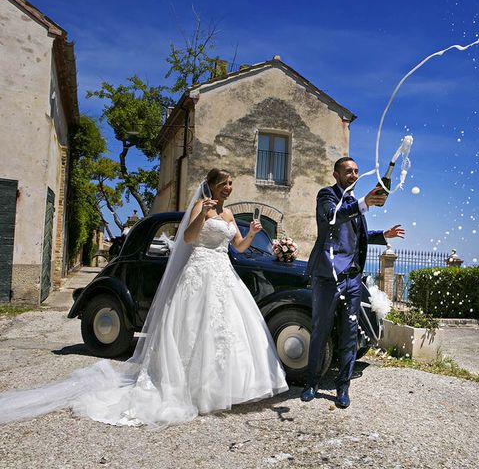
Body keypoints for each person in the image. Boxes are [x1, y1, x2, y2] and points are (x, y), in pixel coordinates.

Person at [0, 168, 288, 428]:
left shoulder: (228, 215)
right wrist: (202, 215)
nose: (229, 187)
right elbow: (187, 239)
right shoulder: (203, 206)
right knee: (193, 326)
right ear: (211, 186)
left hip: (223, 273)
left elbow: (237, 246)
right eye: (225, 183)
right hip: (200, 271)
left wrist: (251, 233)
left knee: (226, 330)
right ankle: (186, 386)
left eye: (231, 184)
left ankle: (226, 387)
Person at [302, 157, 405, 408]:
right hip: (328, 278)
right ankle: (311, 382)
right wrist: (364, 202)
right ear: (336, 174)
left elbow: (356, 235)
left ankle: (343, 387)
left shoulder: (355, 204)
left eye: (357, 171)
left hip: (352, 278)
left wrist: (383, 235)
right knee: (320, 331)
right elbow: (332, 218)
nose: (354, 175)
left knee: (350, 334)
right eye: (348, 171)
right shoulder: (326, 196)